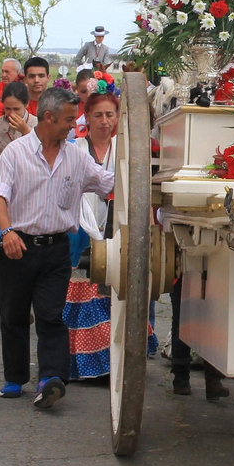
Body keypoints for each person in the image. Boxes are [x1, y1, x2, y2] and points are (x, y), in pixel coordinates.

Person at [0, 87, 114, 408]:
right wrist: (7, 232)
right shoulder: (15, 153)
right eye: (69, 120)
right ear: (48, 117)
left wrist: (152, 175)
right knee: (13, 315)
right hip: (17, 246)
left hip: (57, 248)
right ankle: (15, 379)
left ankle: (51, 378)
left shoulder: (76, 157)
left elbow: (109, 183)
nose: (74, 126)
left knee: (50, 314)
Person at [61, 91, 155, 379]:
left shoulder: (125, 149)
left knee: (114, 287)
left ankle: (111, 362)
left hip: (118, 225)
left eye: (110, 115)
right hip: (80, 228)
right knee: (83, 286)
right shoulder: (74, 147)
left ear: (118, 118)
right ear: (86, 117)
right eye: (98, 115)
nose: (104, 121)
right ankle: (85, 363)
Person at [0, 81, 35, 155]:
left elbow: (42, 152)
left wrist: (26, 131)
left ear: (27, 104)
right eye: (7, 108)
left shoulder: (38, 123)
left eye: (16, 109)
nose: (12, 113)